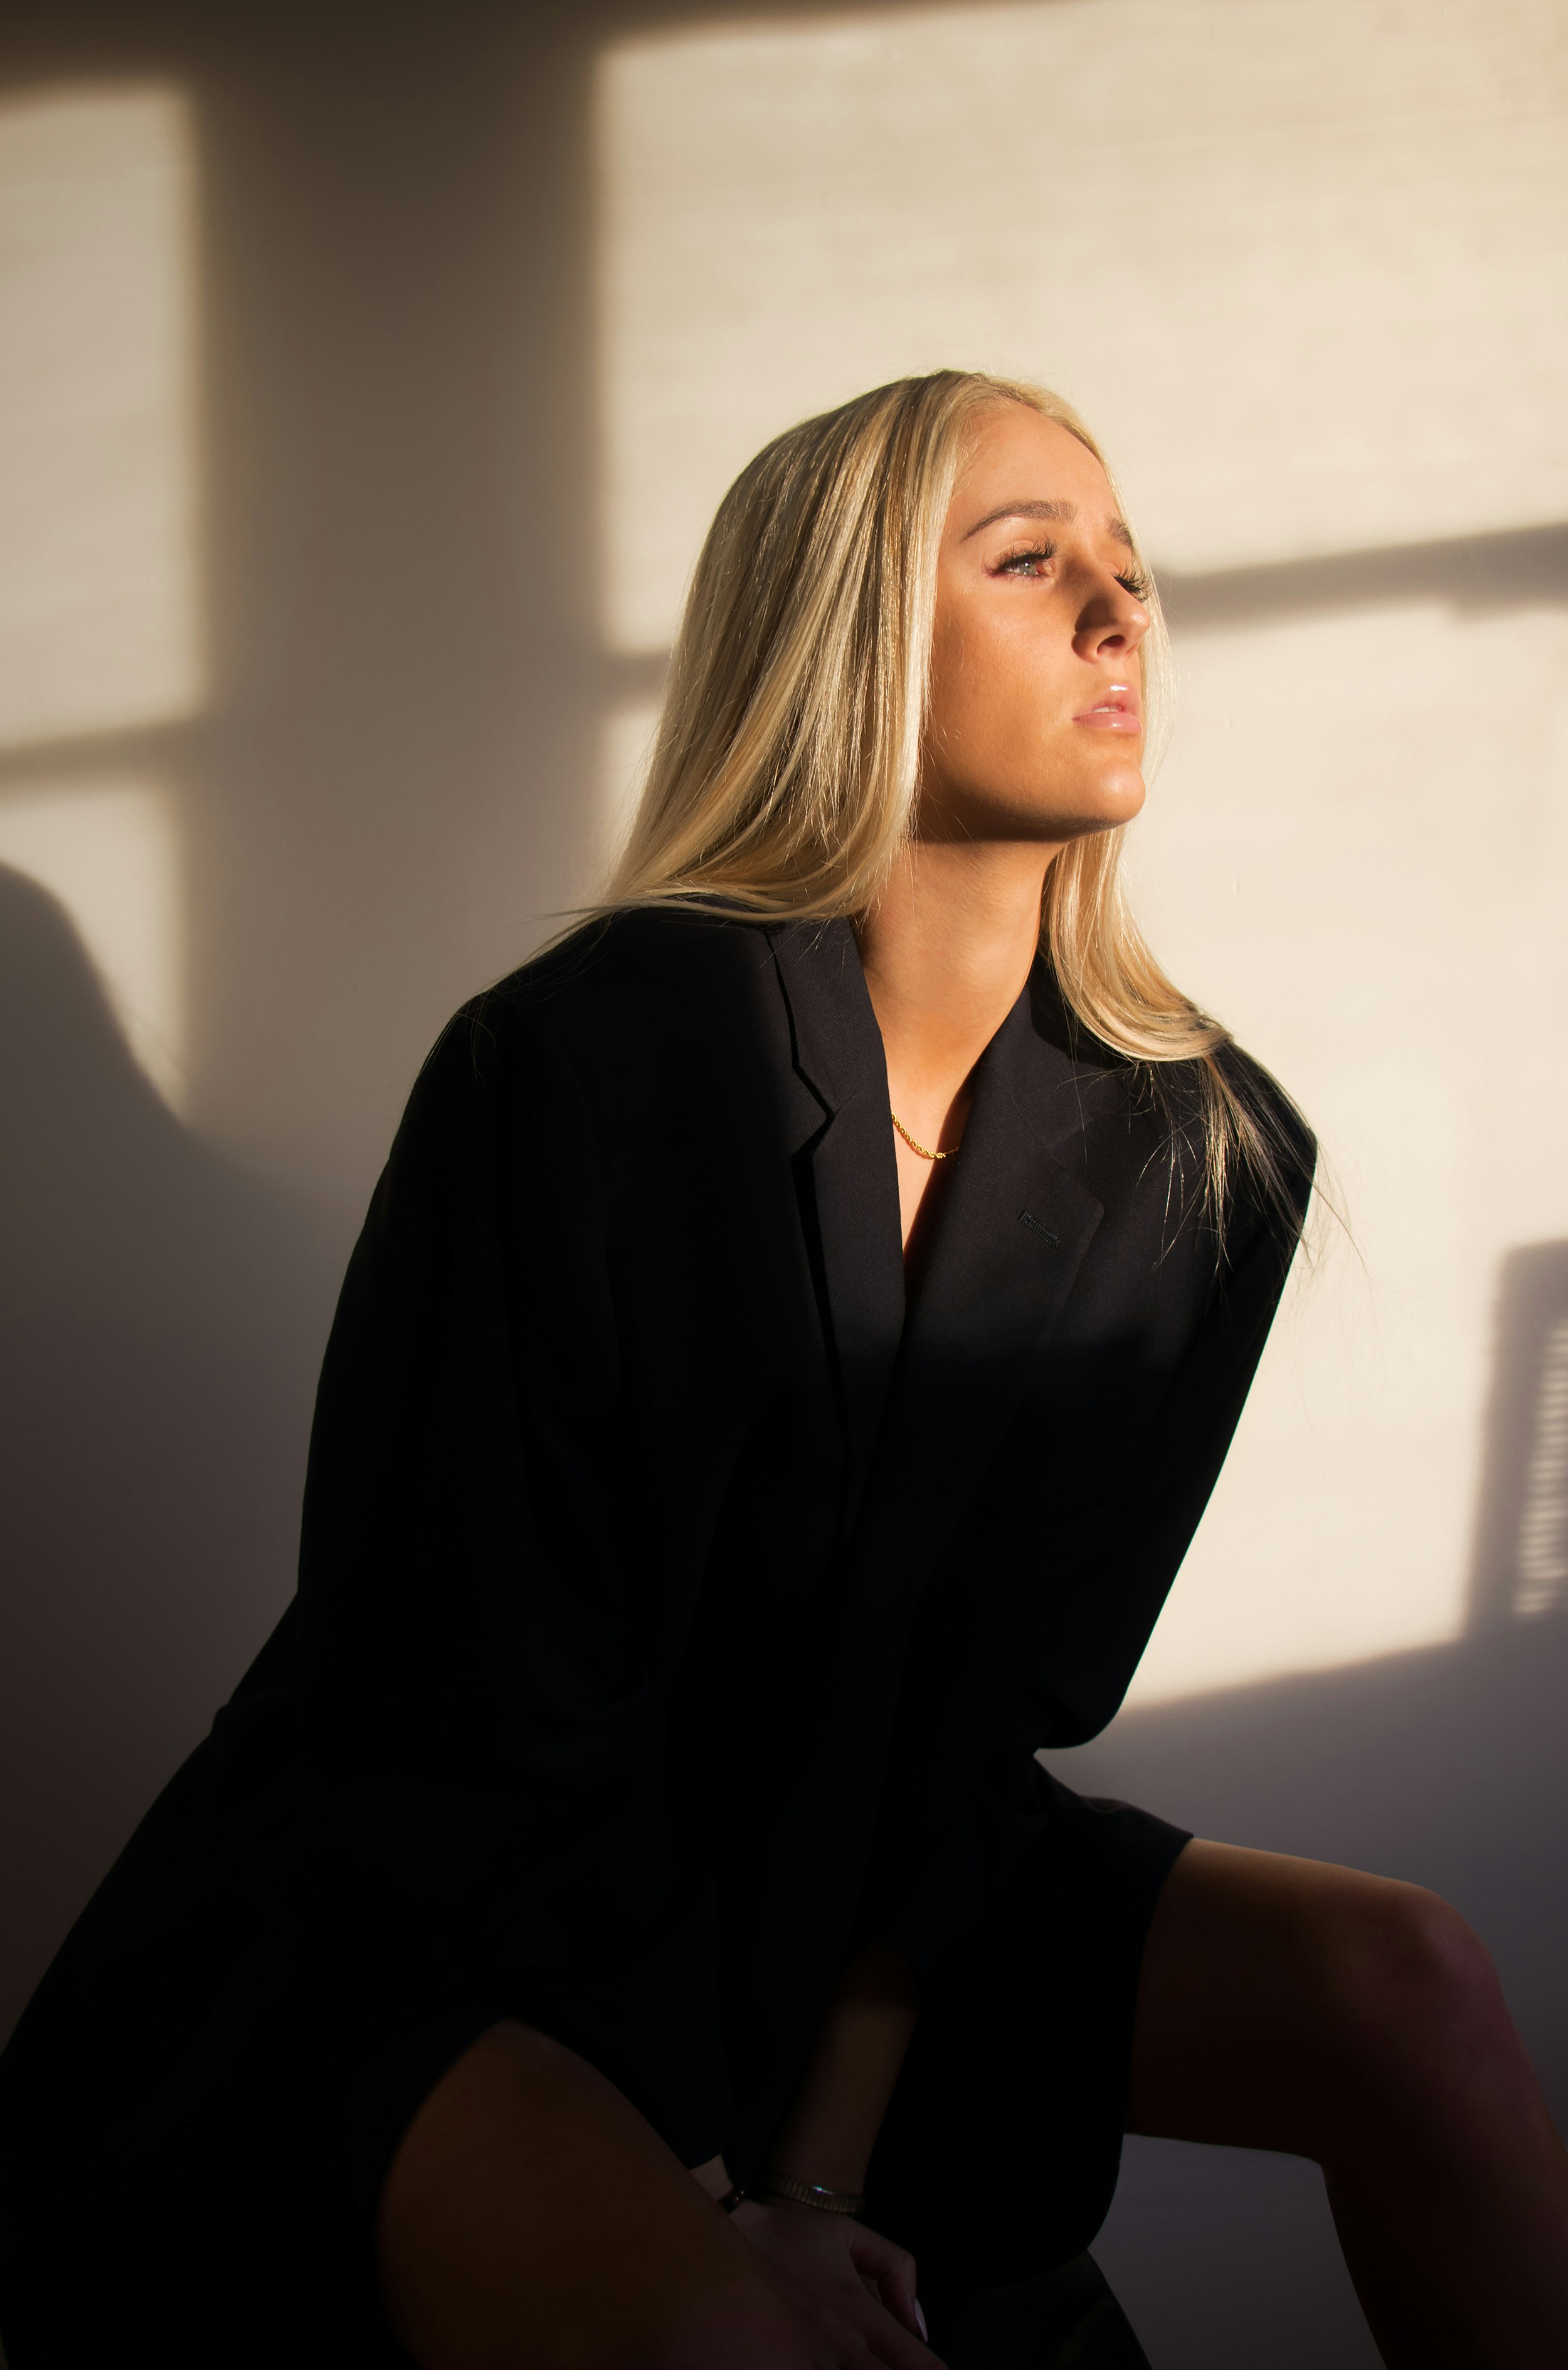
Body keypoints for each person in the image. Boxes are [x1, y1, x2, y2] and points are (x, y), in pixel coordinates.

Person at [1, 371, 1565, 2370]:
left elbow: (964, 1744)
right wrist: (712, 2199)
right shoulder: (580, 1062)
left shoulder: (1203, 1150)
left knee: (1405, 1982)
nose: (1117, 617)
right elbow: (472, 1730)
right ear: (853, 636)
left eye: (1130, 572)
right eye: (1030, 562)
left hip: (852, 1890)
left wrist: (819, 2179)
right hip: (461, 1920)